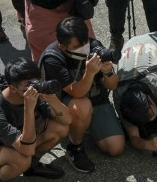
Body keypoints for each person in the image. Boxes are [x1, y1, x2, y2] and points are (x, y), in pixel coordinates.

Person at [38, 17, 123, 173]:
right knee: (83, 105)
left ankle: (85, 124)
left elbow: (113, 85)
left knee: (116, 148)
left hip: (97, 101)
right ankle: (75, 147)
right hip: (64, 105)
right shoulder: (53, 59)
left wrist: (107, 71)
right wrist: (90, 73)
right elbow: (77, 92)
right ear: (62, 47)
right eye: (77, 46)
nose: (84, 48)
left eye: (85, 43)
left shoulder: (95, 47)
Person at [0, 58, 71, 182]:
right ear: (13, 88)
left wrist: (52, 100)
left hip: (21, 139)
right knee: (22, 158)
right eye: (28, 84)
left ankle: (32, 167)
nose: (35, 86)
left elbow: (67, 120)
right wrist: (28, 110)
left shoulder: (30, 93)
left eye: (37, 81)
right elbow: (27, 149)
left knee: (60, 128)